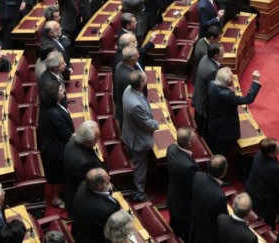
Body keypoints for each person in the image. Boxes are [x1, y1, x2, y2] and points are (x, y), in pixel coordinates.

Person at [121, 69, 159, 202]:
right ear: (142, 84)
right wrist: (157, 124)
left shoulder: (128, 89)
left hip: (130, 132)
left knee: (137, 165)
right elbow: (147, 124)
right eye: (144, 78)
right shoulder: (135, 105)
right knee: (139, 168)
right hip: (138, 140)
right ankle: (138, 194)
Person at [207, 67, 262, 156]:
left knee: (216, 143)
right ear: (226, 83)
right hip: (224, 128)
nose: (233, 81)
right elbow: (248, 99)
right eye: (231, 80)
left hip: (215, 122)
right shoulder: (227, 95)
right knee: (221, 150)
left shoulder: (212, 84)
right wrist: (255, 81)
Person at [39, 81, 75, 208]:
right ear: (53, 95)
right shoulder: (54, 113)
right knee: (56, 176)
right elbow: (66, 134)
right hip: (57, 149)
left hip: (56, 144)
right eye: (60, 90)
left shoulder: (58, 105)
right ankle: (55, 198)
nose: (63, 91)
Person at [245, 137, 279, 229]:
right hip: (264, 201)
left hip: (251, 190)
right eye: (277, 148)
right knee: (269, 224)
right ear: (270, 154)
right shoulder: (275, 169)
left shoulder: (259, 153)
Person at [63, 120, 105, 211]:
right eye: (96, 139)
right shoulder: (83, 164)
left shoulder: (72, 142)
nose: (98, 141)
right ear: (88, 142)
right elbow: (93, 187)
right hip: (83, 204)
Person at [166, 126, 200, 239]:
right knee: (184, 233)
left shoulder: (170, 149)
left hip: (172, 198)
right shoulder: (188, 167)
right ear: (189, 143)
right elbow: (194, 186)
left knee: (174, 227)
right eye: (194, 138)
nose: (196, 139)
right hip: (184, 206)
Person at [71, 168, 120, 243]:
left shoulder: (83, 185)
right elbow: (112, 233)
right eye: (107, 180)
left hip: (81, 232)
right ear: (100, 185)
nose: (110, 178)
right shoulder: (106, 210)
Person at [189, 155, 229, 243]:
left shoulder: (198, 176)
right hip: (208, 233)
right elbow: (223, 219)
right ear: (224, 172)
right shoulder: (219, 196)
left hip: (195, 223)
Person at [193, 44, 223, 138]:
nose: (224, 54)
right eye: (222, 53)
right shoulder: (212, 71)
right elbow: (213, 91)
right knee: (204, 131)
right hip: (204, 104)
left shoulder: (205, 58)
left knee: (199, 124)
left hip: (198, 97)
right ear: (215, 56)